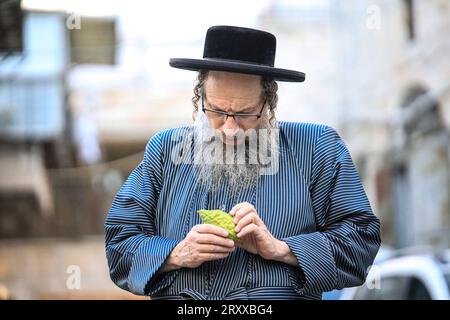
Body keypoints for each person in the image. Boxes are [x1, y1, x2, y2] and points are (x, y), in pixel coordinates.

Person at [105, 25, 381, 300]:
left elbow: (361, 243)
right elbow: (119, 244)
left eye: (246, 113)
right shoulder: (165, 150)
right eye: (216, 110)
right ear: (200, 96)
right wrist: (178, 253)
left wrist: (281, 249)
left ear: (269, 100)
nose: (230, 128)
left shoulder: (316, 148)